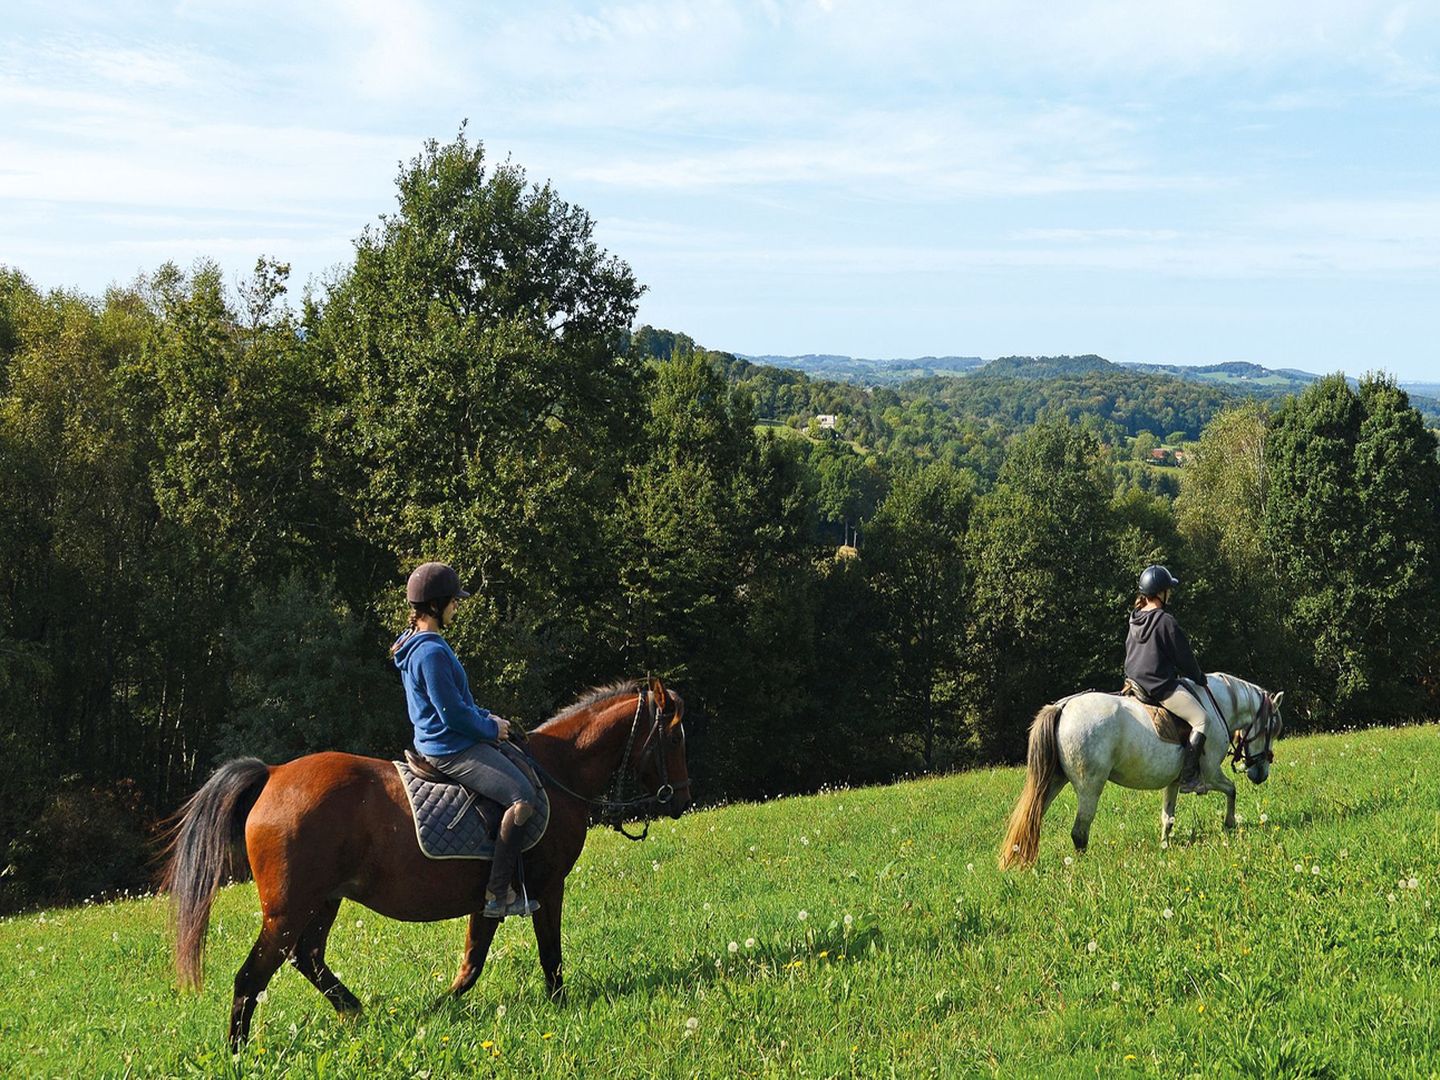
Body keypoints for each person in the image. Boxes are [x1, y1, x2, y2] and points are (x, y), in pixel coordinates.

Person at [392, 561, 539, 918]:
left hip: (441, 739)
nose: (457, 607)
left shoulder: (413, 644)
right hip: (451, 749)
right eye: (453, 601)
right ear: (435, 605)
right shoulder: (431, 652)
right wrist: (490, 729)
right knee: (522, 798)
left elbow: (459, 704)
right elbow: (453, 715)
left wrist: (490, 718)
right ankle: (497, 893)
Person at [1124, 565, 1214, 794]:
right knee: (1202, 719)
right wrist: (1199, 677)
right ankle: (1188, 778)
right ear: (1161, 593)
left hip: (1133, 684)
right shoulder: (1165, 621)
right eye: (1168, 590)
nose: (1170, 594)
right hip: (1159, 687)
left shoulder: (1135, 618)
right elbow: (1184, 657)